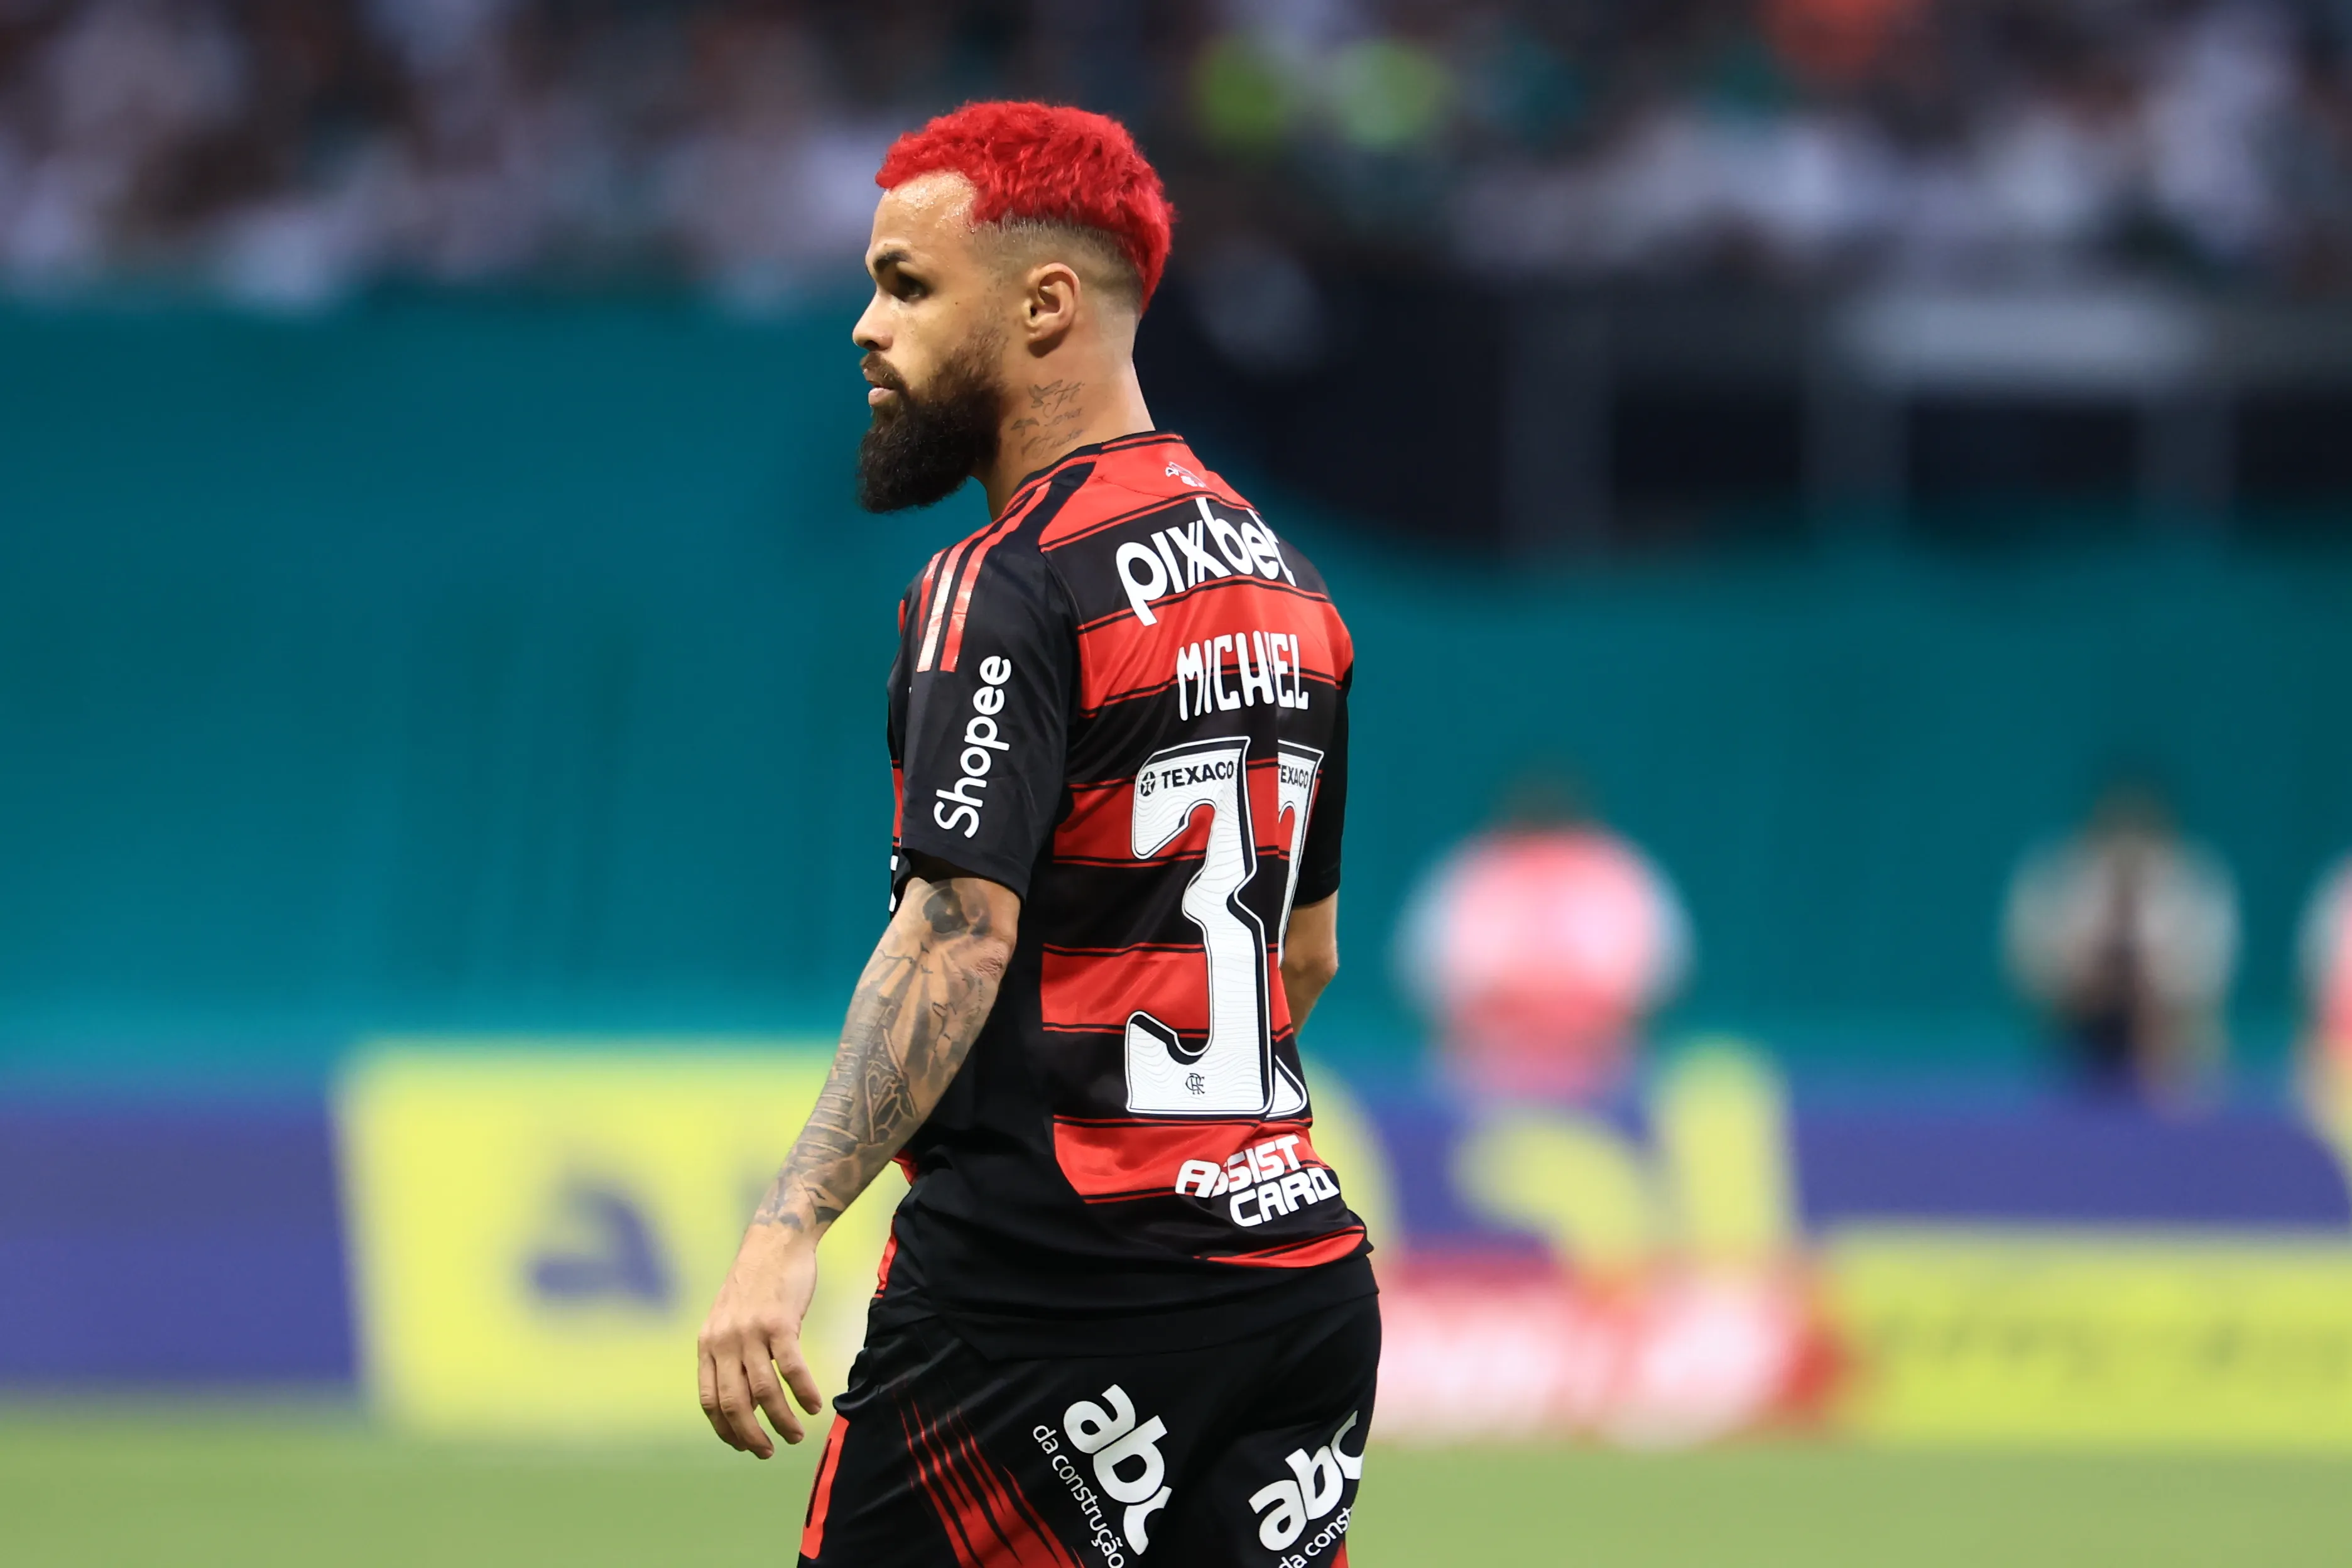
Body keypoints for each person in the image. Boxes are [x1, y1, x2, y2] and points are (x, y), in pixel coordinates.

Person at [696, 102, 1376, 1567]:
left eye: (907, 284)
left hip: (1048, 1301)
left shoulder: (1005, 580)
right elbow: (1299, 956)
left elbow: (956, 926)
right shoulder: (1289, 586)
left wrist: (786, 1221)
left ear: (1045, 302)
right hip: (1293, 1286)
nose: (867, 331)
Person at [1397, 775, 1690, 1101]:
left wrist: (1567, 1016)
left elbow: (1655, 982)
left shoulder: (1619, 870)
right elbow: (1432, 981)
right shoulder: (1473, 869)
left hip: (1602, 1070)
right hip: (1486, 1071)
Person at [2001, 783, 2238, 1102]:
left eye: (2141, 829)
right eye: (2115, 828)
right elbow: (2033, 976)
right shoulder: (2057, 880)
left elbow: (2202, 986)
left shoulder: (2197, 885)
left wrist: (2148, 981)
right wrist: (2092, 972)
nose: (2128, 842)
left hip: (2174, 1058)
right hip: (2070, 1051)